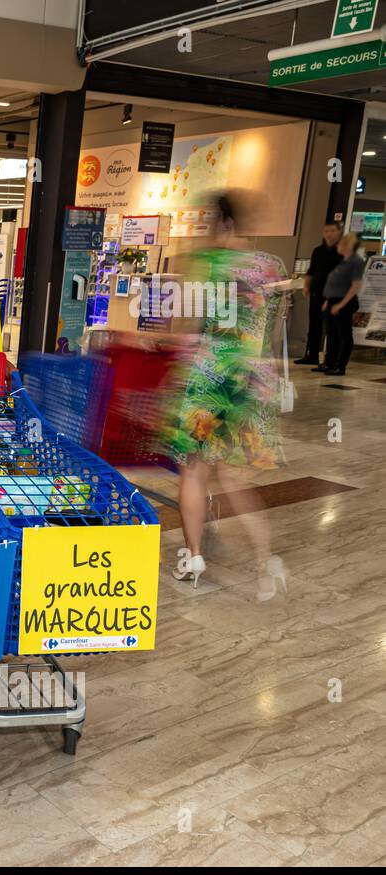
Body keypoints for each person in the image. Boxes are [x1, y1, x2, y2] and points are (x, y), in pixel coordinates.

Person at [164, 190, 287, 601]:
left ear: (222, 222)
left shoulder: (204, 262)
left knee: (195, 470)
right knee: (234, 477)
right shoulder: (270, 266)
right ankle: (265, 560)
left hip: (210, 378)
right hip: (251, 379)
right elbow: (273, 332)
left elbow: (186, 329)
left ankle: (195, 556)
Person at [295, 222, 343, 365]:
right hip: (316, 292)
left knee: (331, 328)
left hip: (333, 295)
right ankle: (312, 355)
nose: (329, 234)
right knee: (314, 326)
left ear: (338, 232)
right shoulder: (318, 251)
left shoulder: (342, 251)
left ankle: (331, 359)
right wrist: (306, 286)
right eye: (326, 231)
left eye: (332, 230)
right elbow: (311, 271)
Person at [318, 232, 365, 376]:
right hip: (334, 300)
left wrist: (341, 304)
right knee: (331, 333)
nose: (337, 246)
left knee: (343, 335)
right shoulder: (343, 261)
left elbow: (356, 285)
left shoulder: (355, 262)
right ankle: (330, 362)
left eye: (340, 244)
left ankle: (340, 365)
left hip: (343, 302)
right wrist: (328, 301)